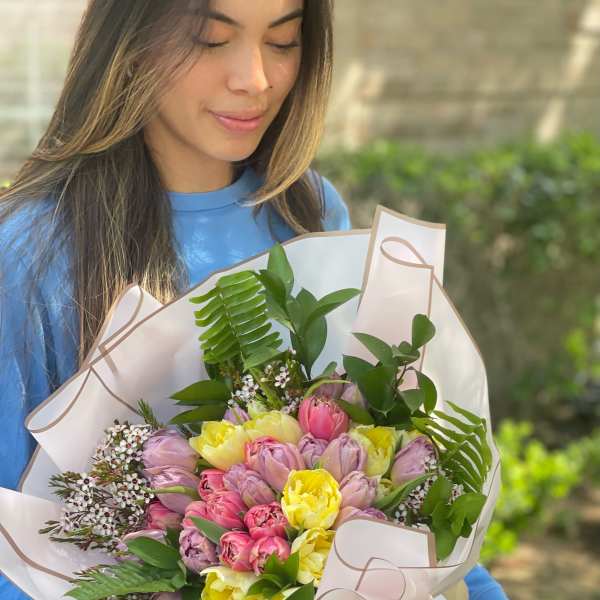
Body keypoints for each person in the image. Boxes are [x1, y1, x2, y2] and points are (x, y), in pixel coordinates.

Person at [0, 2, 507, 599]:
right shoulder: (32, 252)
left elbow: (399, 487)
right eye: (211, 40)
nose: (256, 79)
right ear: (128, 40)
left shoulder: (309, 209)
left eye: (283, 41)